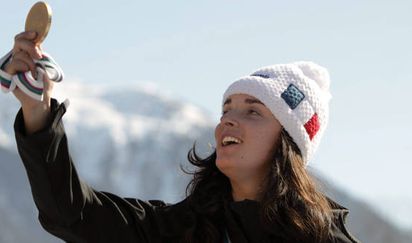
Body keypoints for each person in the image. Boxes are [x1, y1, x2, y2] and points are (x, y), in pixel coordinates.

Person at [3, 31, 359, 243]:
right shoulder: (183, 228)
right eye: (226, 109)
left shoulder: (322, 237)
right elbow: (73, 214)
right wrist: (39, 113)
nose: (228, 122)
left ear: (288, 144)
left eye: (253, 111)